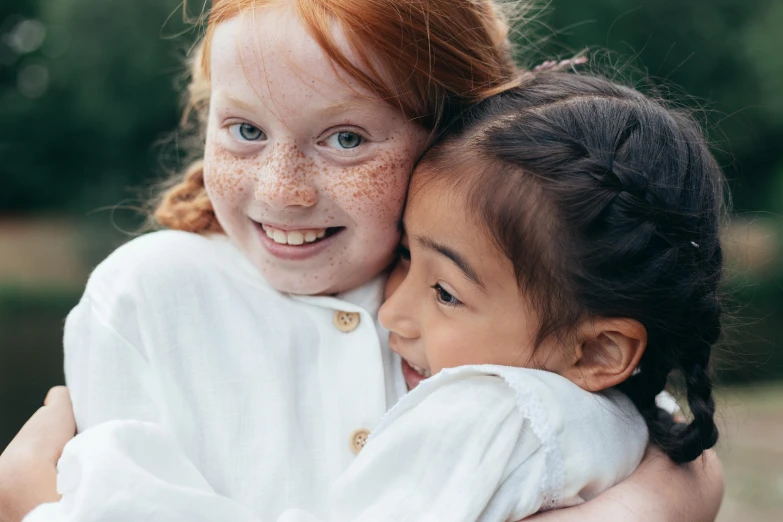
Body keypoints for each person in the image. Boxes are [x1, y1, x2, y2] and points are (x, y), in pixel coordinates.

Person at [0, 1, 724, 521]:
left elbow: (672, 454)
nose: (280, 191)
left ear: (449, 130)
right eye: (244, 129)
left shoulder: (501, 286)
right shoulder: (149, 297)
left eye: (345, 139)